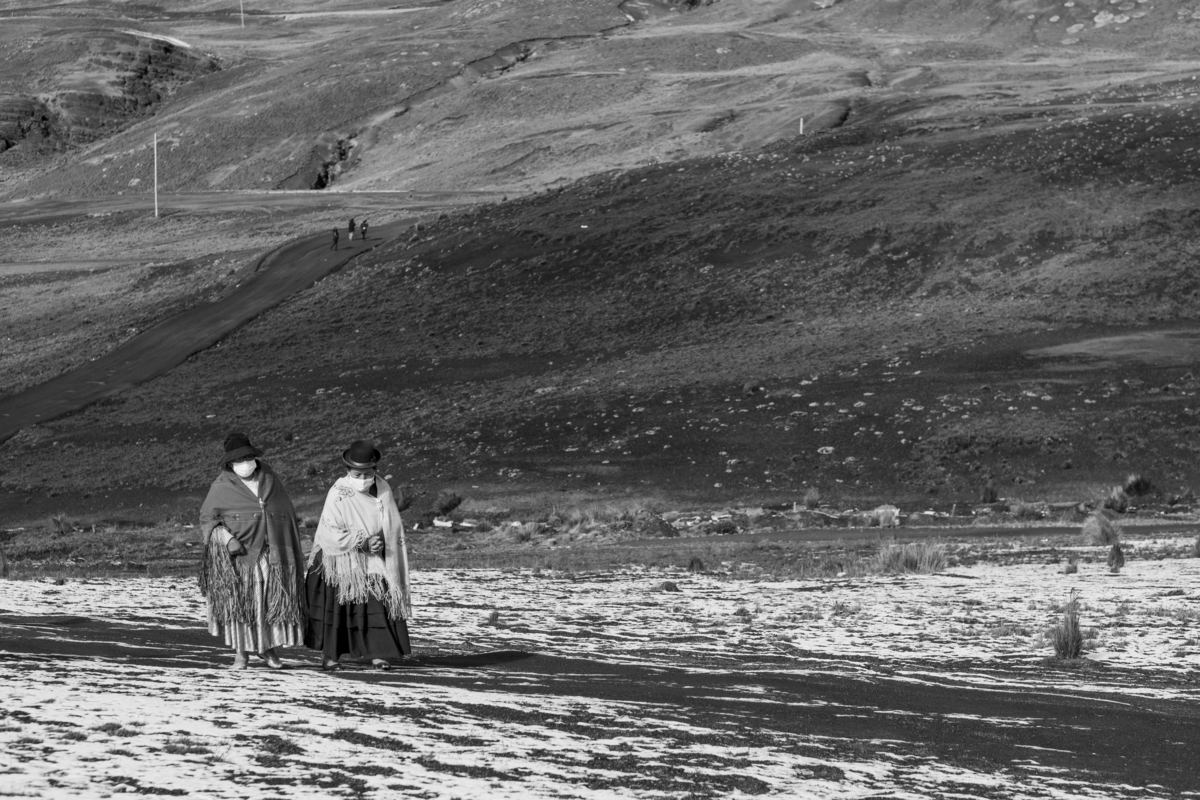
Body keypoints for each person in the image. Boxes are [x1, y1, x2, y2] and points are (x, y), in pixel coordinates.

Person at [199, 432, 307, 670]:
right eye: (240, 460)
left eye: (248, 457)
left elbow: (283, 510)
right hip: (241, 556)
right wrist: (226, 540)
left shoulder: (269, 478)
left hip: (270, 552)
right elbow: (208, 519)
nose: (245, 463)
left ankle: (268, 648)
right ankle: (241, 654)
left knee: (268, 601)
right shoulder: (221, 486)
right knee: (241, 603)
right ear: (230, 463)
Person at [304, 439, 413, 670]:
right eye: (357, 474)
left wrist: (380, 542)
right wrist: (361, 543)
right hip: (342, 561)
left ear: (375, 470)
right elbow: (330, 530)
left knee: (376, 605)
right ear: (348, 471)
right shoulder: (338, 492)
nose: (362, 479)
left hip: (374, 557)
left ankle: (378, 653)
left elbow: (392, 525)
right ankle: (331, 657)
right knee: (341, 608)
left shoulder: (383, 489)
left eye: (367, 473)